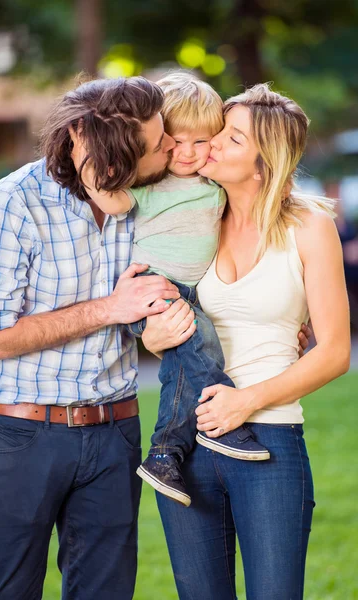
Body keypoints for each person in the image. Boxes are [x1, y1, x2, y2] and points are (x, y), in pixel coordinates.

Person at [0, 76, 184, 600]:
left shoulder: (153, 200)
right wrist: (111, 308)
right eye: (159, 144)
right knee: (7, 592)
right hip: (22, 436)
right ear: (112, 160)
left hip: (116, 432)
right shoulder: (14, 204)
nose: (172, 147)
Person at [141, 83, 351, 599]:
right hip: (184, 444)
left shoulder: (309, 227)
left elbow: (335, 352)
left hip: (268, 440)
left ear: (264, 162)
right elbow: (159, 314)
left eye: (231, 139)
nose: (210, 145)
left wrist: (246, 401)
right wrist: (151, 336)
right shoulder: (195, 217)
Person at [74, 73, 270, 509]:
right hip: (153, 288)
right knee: (203, 348)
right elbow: (113, 201)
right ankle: (201, 432)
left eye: (200, 142)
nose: (186, 152)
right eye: (175, 141)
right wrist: (86, 163)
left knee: (184, 366)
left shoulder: (214, 185)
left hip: (188, 293)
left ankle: (165, 455)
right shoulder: (152, 186)